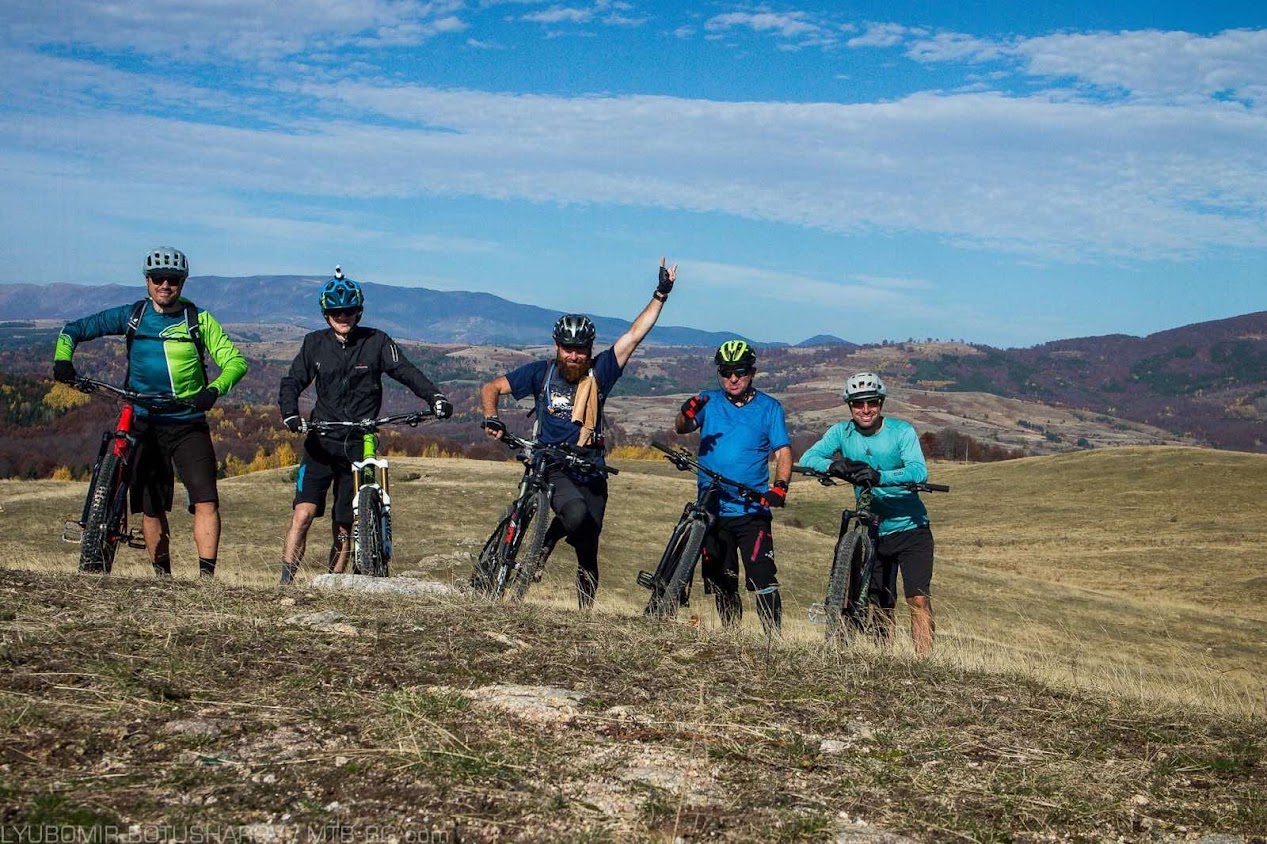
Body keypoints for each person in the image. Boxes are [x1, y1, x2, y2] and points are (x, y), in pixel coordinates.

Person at [480, 258, 677, 608]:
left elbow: (634, 336)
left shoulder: (600, 373)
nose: (573, 356)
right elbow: (492, 387)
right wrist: (492, 418)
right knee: (574, 515)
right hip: (553, 466)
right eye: (567, 348)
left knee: (588, 549)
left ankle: (584, 613)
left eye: (580, 350)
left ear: (590, 349)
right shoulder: (541, 373)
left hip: (591, 467)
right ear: (556, 346)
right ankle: (544, 541)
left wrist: (661, 294)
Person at [52, 246, 248, 579]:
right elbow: (72, 329)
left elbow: (235, 362)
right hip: (142, 421)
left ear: (182, 282)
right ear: (147, 281)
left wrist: (213, 391)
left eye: (172, 279)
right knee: (151, 507)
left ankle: (206, 581)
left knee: (206, 501)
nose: (165, 285)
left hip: (187, 422)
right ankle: (162, 579)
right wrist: (62, 360)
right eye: (158, 278)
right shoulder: (133, 316)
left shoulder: (198, 320)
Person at [277, 268, 454, 584]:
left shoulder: (377, 342)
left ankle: (333, 584)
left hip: (359, 443)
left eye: (348, 311)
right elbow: (293, 381)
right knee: (303, 514)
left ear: (359, 312)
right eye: (336, 312)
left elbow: (406, 371)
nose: (342, 317)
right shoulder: (314, 343)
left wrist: (435, 397)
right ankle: (285, 581)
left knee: (346, 525)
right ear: (326, 314)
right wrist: (290, 413)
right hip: (321, 440)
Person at [797, 371, 937, 653]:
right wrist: (833, 466)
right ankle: (884, 658)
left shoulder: (901, 431)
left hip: (911, 528)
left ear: (881, 403)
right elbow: (808, 458)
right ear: (849, 406)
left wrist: (879, 476)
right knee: (881, 603)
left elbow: (918, 470)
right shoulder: (841, 432)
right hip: (873, 530)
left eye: (871, 402)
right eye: (858, 403)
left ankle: (925, 661)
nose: (865, 409)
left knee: (918, 599)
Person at [674, 339, 792, 633]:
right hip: (712, 508)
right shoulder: (709, 401)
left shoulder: (769, 408)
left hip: (751, 510)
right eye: (726, 372)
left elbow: (783, 451)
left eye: (740, 371)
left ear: (752, 372)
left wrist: (780, 486)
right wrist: (685, 413)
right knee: (722, 580)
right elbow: (682, 427)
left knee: (762, 577)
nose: (733, 378)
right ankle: (730, 636)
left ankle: (773, 638)